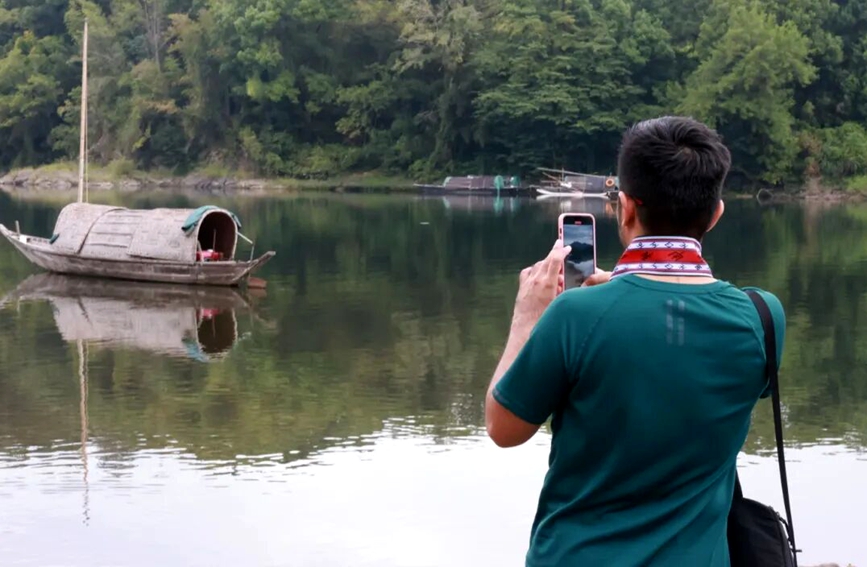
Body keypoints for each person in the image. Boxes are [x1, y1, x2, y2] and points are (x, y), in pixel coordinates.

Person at [485, 116, 785, 566]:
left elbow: (503, 429)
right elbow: (678, 352)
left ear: (625, 207)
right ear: (717, 214)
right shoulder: (762, 317)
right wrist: (634, 289)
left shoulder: (573, 316)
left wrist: (526, 316)